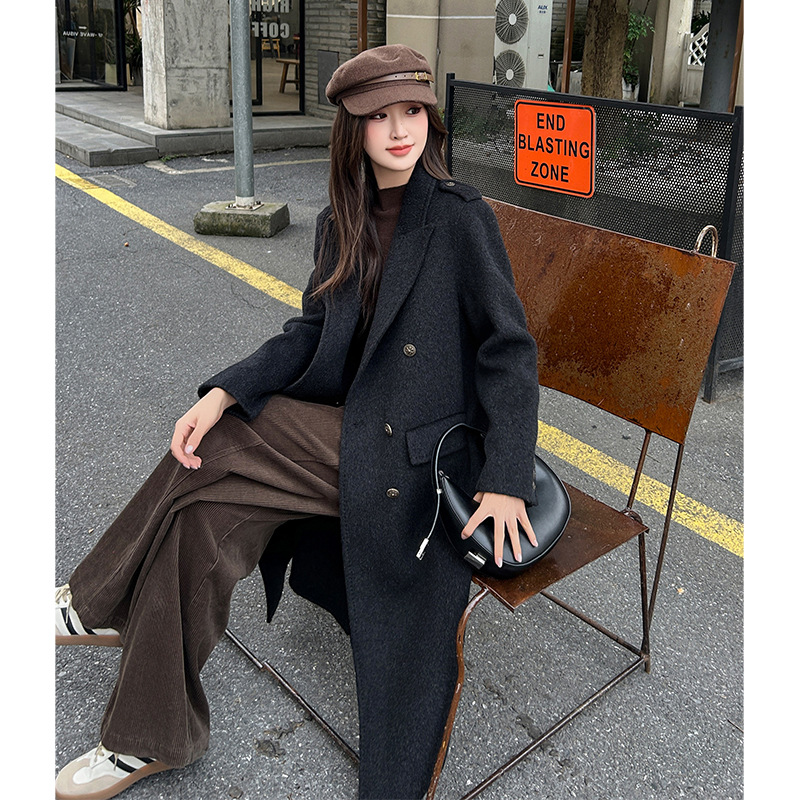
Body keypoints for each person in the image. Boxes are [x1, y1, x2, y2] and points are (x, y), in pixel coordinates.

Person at [54, 44, 540, 800]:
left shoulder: (458, 219)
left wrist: (505, 478)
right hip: (351, 436)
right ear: (352, 129)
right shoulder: (341, 222)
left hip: (421, 461)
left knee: (235, 436)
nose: (399, 130)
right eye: (379, 116)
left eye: (412, 111)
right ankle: (147, 738)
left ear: (430, 119)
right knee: (202, 515)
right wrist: (225, 389)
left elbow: (509, 350)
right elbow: (312, 333)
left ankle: (91, 602)